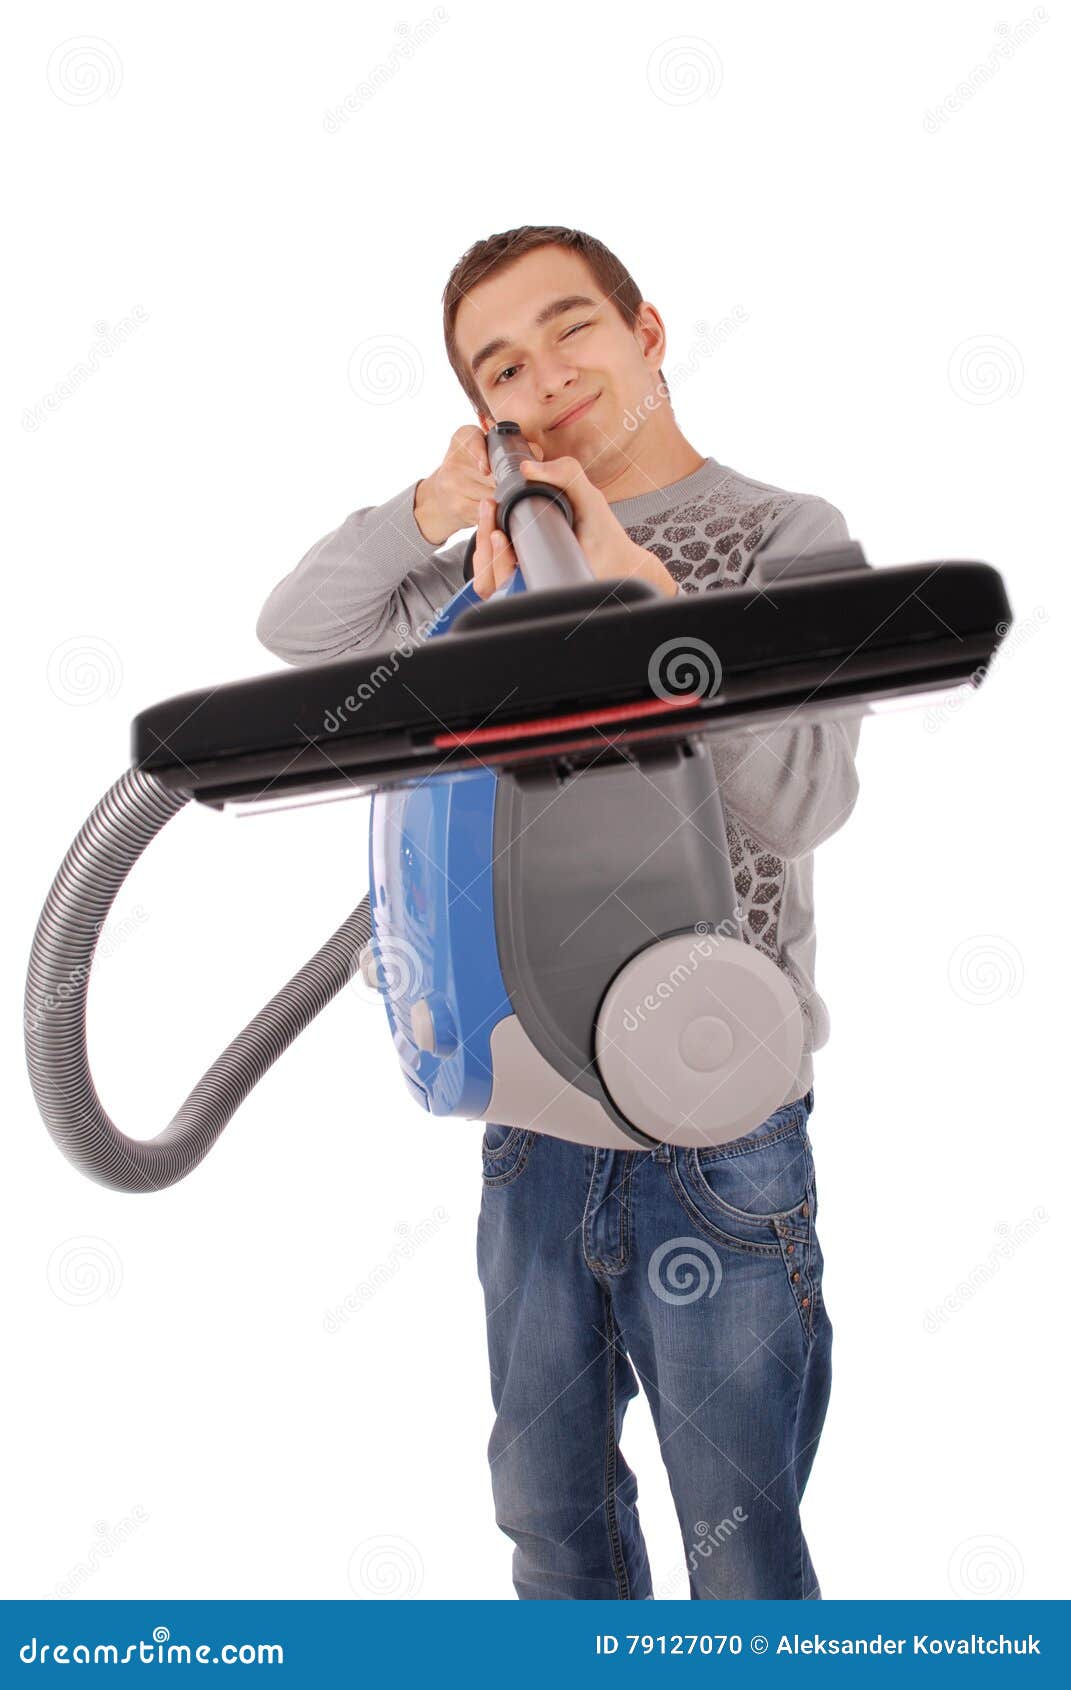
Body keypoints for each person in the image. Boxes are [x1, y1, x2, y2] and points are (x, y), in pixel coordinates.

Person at [256, 225, 861, 1600]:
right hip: (531, 1109)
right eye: (502, 368)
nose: (546, 374)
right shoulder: (480, 580)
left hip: (716, 1125)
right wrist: (432, 511)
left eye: (571, 326)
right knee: (548, 1520)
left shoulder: (782, 537)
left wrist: (646, 604)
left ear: (646, 332)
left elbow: (807, 797)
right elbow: (299, 631)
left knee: (741, 1547)